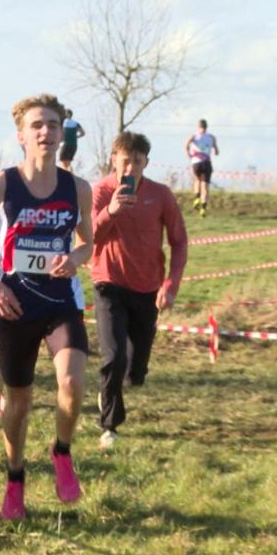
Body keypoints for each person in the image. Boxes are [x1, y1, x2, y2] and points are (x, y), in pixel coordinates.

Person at [0, 93, 93, 520]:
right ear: (21, 136)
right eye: (37, 125)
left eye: (53, 124)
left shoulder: (77, 188)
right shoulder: (1, 184)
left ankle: (62, 451)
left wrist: (75, 259)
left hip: (60, 303)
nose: (46, 131)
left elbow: (90, 244)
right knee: (20, 401)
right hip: (13, 305)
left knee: (71, 381)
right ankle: (15, 479)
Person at [92, 132, 187, 450]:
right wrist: (111, 211)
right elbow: (86, 236)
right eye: (125, 160)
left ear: (146, 162)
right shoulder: (100, 191)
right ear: (113, 159)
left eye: (137, 160)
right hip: (108, 283)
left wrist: (170, 285)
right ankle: (109, 426)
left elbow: (179, 241)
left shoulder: (161, 195)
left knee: (134, 371)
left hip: (147, 288)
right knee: (114, 357)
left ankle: (118, 382)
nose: (130, 166)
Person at [184, 119, 219, 217]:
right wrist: (214, 151)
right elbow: (216, 151)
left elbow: (186, 144)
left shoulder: (194, 136)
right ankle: (203, 209)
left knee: (197, 180)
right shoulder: (211, 137)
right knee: (205, 186)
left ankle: (196, 198)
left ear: (198, 127)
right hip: (207, 162)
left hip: (196, 162)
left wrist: (188, 153)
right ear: (206, 127)